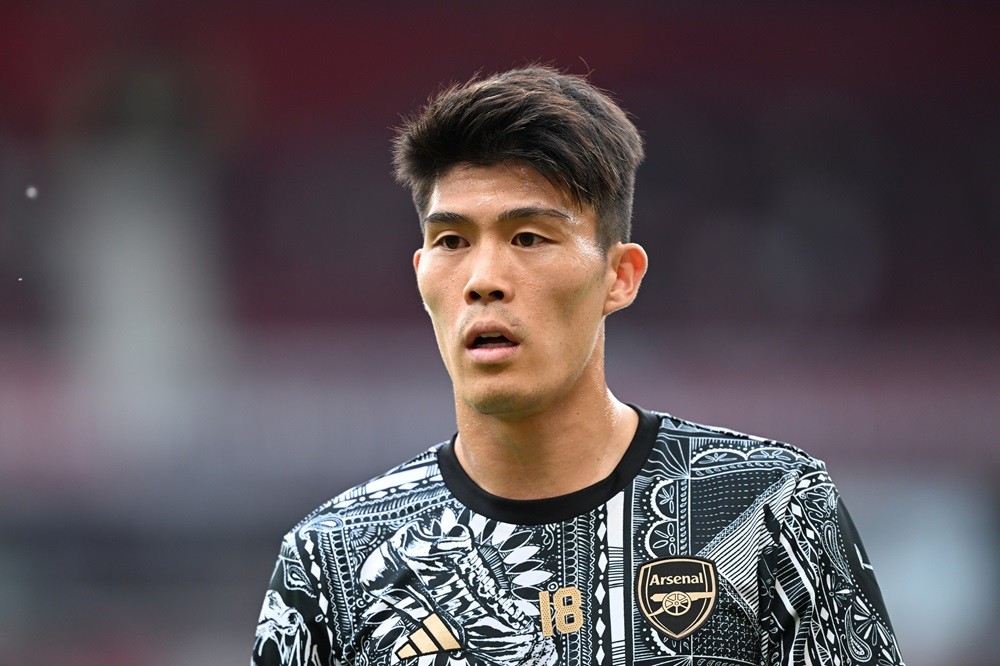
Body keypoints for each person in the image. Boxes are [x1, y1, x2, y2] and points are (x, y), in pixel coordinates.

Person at [251, 66, 905, 666]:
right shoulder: (333, 562)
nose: (483, 280)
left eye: (529, 237)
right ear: (423, 275)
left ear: (619, 277)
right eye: (451, 241)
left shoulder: (769, 512)